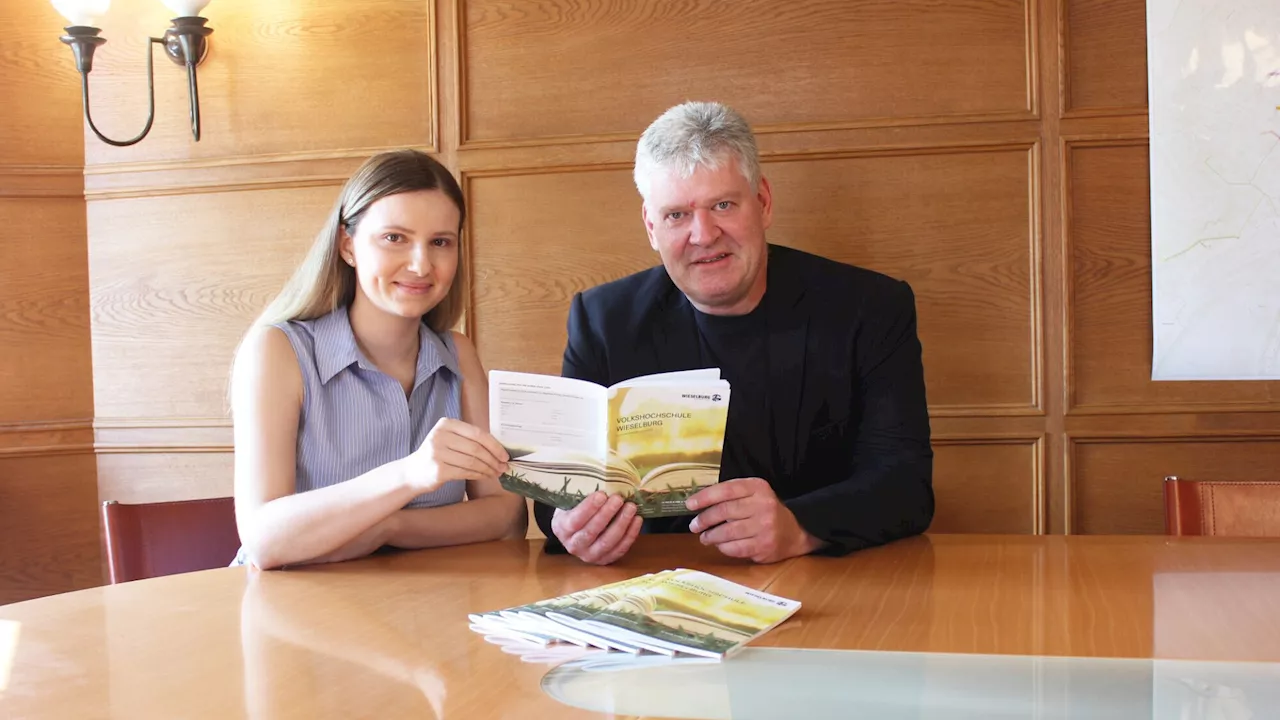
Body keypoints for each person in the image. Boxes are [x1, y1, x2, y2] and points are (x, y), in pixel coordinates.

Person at [535, 101, 934, 565]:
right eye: (676, 216)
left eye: (722, 205)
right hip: (655, 585)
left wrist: (799, 527)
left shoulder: (870, 308)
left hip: (830, 581)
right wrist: (568, 523)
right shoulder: (603, 319)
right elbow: (558, 490)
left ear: (762, 203)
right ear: (650, 226)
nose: (703, 235)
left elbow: (905, 484)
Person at [230, 149, 526, 570]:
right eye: (395, 238)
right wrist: (408, 476)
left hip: (418, 605)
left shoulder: (458, 354)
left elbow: (506, 515)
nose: (422, 264)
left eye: (440, 242)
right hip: (288, 614)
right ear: (348, 246)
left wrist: (389, 528)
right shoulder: (278, 350)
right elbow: (264, 540)